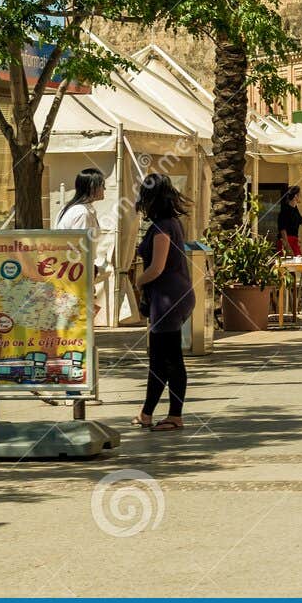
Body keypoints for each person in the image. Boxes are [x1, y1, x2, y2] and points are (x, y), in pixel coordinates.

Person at [128, 174, 196, 432]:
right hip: (176, 295)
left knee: (170, 360)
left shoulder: (161, 229)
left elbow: (157, 267)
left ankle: (175, 415)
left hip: (167, 298)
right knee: (159, 359)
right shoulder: (173, 223)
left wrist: (139, 282)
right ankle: (146, 413)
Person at [56, 166, 117, 319]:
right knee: (80, 320)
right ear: (92, 187)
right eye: (101, 185)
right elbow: (80, 248)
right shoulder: (81, 213)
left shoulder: (73, 209)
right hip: (77, 274)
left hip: (74, 271)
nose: (104, 189)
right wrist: (88, 270)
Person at [276, 185, 302, 255]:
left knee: (298, 260)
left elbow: (301, 221)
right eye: (300, 194)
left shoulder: (295, 209)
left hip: (294, 240)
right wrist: (287, 245)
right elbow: (282, 228)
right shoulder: (285, 210)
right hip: (286, 240)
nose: (301, 196)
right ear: (295, 196)